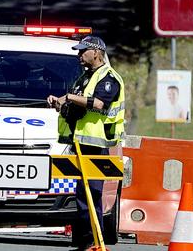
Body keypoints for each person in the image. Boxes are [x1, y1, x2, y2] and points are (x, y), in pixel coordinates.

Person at [46, 35, 125, 250]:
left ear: (96, 53)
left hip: (97, 145)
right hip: (80, 142)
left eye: (83, 51)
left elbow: (99, 103)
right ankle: (83, 240)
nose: (79, 55)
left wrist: (69, 98)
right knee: (82, 192)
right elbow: (75, 103)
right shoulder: (85, 77)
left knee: (93, 193)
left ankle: (94, 240)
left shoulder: (108, 78)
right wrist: (59, 102)